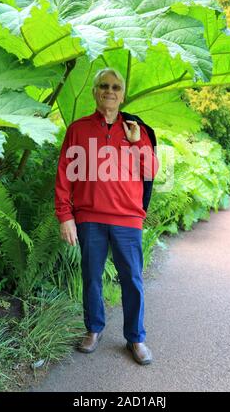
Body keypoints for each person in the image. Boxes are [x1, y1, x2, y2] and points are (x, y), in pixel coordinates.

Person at [54, 68, 159, 365]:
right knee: (91, 277)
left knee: (132, 280)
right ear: (95, 91)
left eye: (115, 87)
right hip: (90, 218)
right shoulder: (78, 129)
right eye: (104, 85)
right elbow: (64, 175)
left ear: (122, 95)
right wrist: (65, 215)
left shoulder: (137, 128)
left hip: (127, 218)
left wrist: (137, 141)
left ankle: (136, 338)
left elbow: (151, 172)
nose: (109, 91)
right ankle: (94, 329)